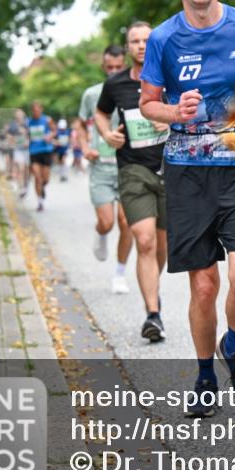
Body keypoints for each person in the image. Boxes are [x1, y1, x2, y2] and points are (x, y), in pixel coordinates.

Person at [138, 0, 235, 417]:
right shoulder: (163, 39)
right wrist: (174, 111)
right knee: (204, 287)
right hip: (188, 170)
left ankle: (232, 344)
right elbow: (147, 103)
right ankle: (205, 375)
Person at [96, 22, 170, 343]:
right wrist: (106, 133)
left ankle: (153, 291)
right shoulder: (115, 85)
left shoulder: (173, 77)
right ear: (127, 47)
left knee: (162, 246)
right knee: (145, 241)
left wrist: (165, 114)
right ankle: (152, 314)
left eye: (147, 40)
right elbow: (101, 113)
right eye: (135, 41)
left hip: (171, 169)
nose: (141, 45)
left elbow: (194, 111)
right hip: (133, 171)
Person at [76, 44, 132, 295]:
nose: (113, 71)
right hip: (101, 168)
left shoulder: (135, 89)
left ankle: (119, 274)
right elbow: (79, 125)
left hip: (128, 167)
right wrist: (85, 147)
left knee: (126, 222)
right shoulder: (92, 94)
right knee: (107, 223)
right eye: (109, 67)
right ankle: (100, 234)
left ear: (125, 64)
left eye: (118, 67)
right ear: (103, 67)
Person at [27, 101, 56, 211]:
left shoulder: (47, 120)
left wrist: (50, 135)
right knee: (37, 177)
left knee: (46, 179)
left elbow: (54, 130)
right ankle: (40, 202)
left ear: (41, 109)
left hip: (46, 151)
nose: (36, 112)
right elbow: (26, 134)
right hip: (34, 151)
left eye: (38, 110)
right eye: (34, 111)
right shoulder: (29, 122)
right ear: (32, 111)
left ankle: (43, 187)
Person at [7, 109, 31, 198]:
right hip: (18, 150)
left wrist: (28, 141)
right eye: (17, 114)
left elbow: (32, 135)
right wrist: (13, 141)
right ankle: (21, 188)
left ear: (23, 115)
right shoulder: (12, 125)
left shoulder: (28, 123)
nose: (19, 116)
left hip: (27, 150)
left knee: (26, 170)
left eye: (20, 114)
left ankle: (25, 186)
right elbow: (9, 136)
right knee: (20, 169)